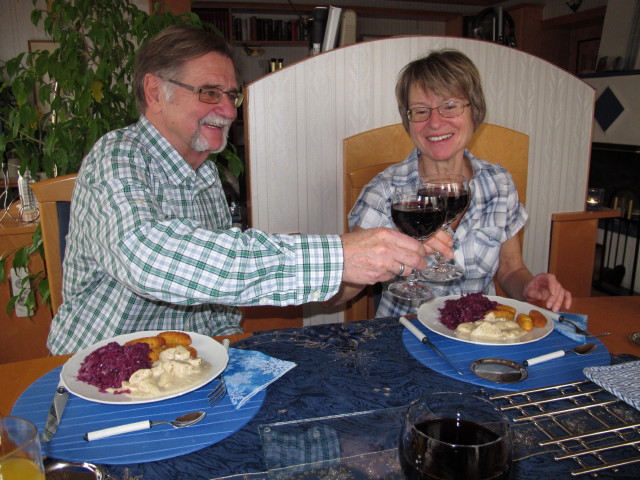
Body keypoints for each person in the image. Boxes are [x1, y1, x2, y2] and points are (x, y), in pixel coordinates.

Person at [48, 25, 429, 355]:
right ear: (154, 91)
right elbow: (146, 256)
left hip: (190, 365)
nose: (229, 112)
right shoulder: (115, 156)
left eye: (232, 95)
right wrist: (337, 255)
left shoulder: (206, 173)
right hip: (97, 371)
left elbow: (217, 285)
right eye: (210, 92)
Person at [344, 49, 572, 318]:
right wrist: (376, 261)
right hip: (405, 334)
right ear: (408, 121)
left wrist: (528, 288)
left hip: (480, 333)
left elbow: (511, 270)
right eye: (421, 111)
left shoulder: (499, 182)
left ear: (474, 111)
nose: (436, 122)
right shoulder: (385, 192)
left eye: (450, 106)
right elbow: (337, 296)